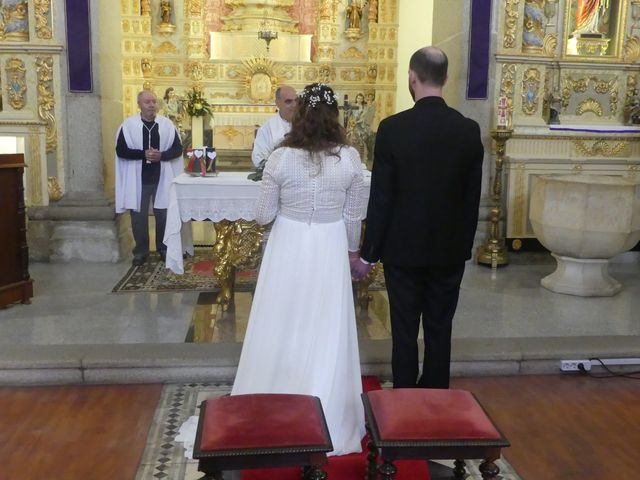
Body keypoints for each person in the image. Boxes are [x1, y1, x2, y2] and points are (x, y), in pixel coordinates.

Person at [232, 83, 366, 456]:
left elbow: (262, 215)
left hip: (288, 244)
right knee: (325, 324)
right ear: (334, 118)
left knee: (284, 318)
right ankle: (326, 409)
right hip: (329, 244)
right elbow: (354, 218)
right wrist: (353, 253)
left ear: (300, 115)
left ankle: (277, 402)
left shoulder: (280, 158)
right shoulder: (350, 158)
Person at [351, 47, 484, 390]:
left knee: (405, 329)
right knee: (441, 327)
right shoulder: (468, 131)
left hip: (402, 251)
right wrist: (463, 249)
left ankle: (405, 396)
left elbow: (381, 197)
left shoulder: (393, 129)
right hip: (448, 251)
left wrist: (369, 253)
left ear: (412, 77)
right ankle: (437, 395)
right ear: (446, 79)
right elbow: (471, 200)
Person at [115, 90, 183, 266]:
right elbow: (121, 151)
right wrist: (142, 154)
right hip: (139, 179)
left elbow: (177, 149)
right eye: (147, 102)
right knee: (138, 216)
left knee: (163, 215)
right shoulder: (128, 126)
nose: (152, 105)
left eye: (154, 101)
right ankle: (141, 251)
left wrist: (162, 156)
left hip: (162, 177)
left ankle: (163, 247)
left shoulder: (167, 125)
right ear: (139, 104)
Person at [250, 85, 297, 168]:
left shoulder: (308, 124)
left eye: (296, 101)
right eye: (288, 101)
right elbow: (259, 159)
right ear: (277, 103)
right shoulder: (266, 129)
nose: (294, 105)